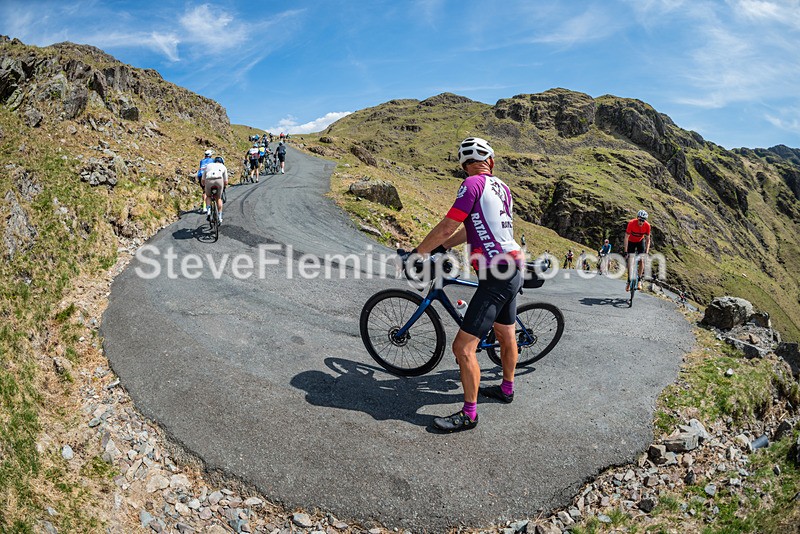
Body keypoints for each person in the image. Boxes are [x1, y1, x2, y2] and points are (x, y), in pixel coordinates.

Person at [399, 137, 522, 433]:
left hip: (496, 273)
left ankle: (469, 415)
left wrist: (419, 253)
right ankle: (506, 389)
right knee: (506, 333)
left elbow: (447, 225)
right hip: (513, 264)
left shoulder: (471, 185)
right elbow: (473, 228)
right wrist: (440, 247)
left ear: (464, 166)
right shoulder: (501, 187)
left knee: (463, 347)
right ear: (490, 162)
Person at [623, 209, 651, 291]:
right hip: (631, 241)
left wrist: (647, 252)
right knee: (630, 260)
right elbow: (626, 237)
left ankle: (639, 280)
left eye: (643, 220)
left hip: (640, 241)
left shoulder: (647, 226)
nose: (641, 222)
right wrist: (625, 251)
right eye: (640, 220)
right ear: (637, 218)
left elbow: (648, 240)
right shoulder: (631, 223)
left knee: (642, 259)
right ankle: (628, 281)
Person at [202, 156, 228, 222]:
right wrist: (224, 186)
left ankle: (208, 210)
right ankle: (219, 216)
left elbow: (203, 179)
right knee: (218, 198)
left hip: (209, 180)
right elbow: (226, 181)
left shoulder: (208, 165)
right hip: (219, 180)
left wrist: (204, 185)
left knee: (208, 196)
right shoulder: (223, 166)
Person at [196, 149, 215, 213]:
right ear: (210, 155)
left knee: (204, 192)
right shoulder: (212, 160)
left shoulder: (201, 161)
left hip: (201, 176)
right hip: (209, 175)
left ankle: (204, 207)